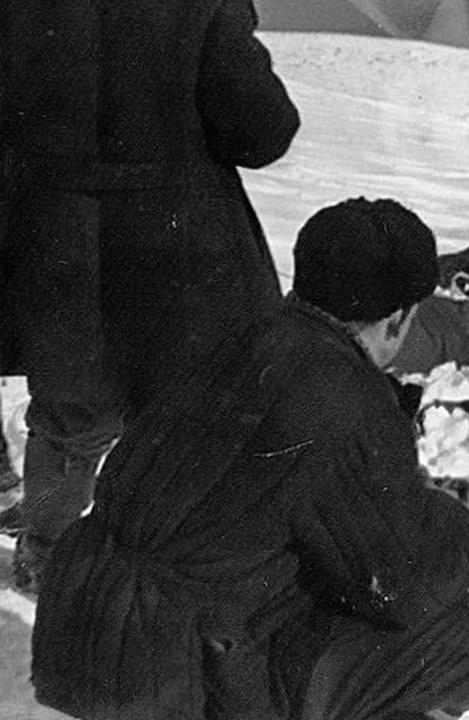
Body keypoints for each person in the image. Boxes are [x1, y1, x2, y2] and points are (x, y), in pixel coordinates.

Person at [31, 198, 469, 720]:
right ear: (396, 318)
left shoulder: (230, 337)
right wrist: (443, 510)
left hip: (80, 627)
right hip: (172, 673)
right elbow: (406, 586)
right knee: (463, 636)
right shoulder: (341, 391)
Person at [0, 0, 300, 591]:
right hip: (178, 246)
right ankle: (173, 561)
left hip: (58, 238)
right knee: (184, 411)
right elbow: (262, 131)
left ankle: (48, 553)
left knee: (69, 407)